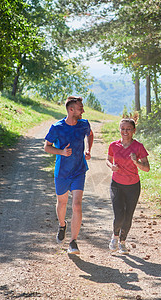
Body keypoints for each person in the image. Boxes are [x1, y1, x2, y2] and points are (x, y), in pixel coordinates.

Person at [44, 96, 93, 255]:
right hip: (62, 172)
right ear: (71, 110)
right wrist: (61, 152)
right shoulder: (57, 127)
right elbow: (47, 147)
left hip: (79, 170)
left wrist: (88, 150)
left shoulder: (84, 124)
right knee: (62, 202)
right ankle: (62, 224)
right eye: (80, 108)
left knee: (77, 205)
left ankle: (73, 242)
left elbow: (90, 134)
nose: (83, 110)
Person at [106, 118, 150, 254]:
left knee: (128, 216)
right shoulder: (114, 145)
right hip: (117, 184)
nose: (125, 131)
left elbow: (147, 168)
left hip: (133, 186)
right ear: (120, 130)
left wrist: (136, 162)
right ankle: (115, 237)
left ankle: (123, 243)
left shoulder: (138, 147)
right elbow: (108, 159)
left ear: (134, 131)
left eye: (128, 129)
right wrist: (111, 166)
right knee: (119, 215)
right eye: (123, 129)